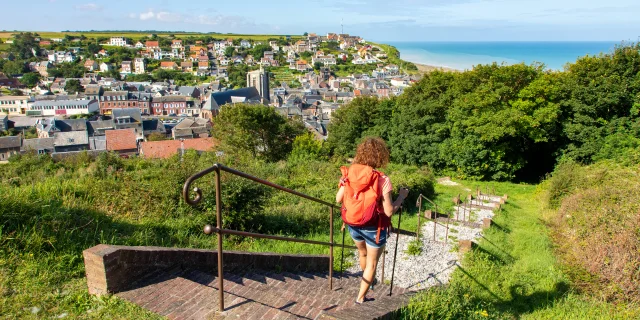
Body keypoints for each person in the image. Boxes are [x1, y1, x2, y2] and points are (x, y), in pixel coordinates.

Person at [336, 137, 409, 304]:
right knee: (372, 264)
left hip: (353, 224)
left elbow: (338, 199)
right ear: (380, 156)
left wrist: (341, 185)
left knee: (362, 253)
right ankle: (361, 298)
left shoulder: (349, 173)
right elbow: (389, 211)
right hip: (373, 227)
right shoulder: (382, 179)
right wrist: (401, 197)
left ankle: (366, 280)